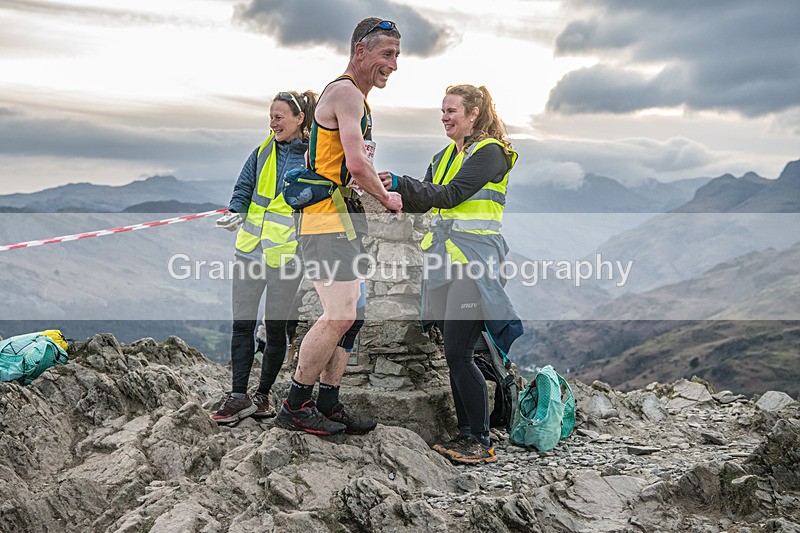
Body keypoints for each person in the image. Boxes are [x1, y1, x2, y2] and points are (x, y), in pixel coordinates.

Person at [379, 84, 523, 463]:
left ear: (473, 114)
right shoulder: (443, 155)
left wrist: (400, 182)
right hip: (444, 260)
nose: (444, 117)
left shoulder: (491, 153)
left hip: (475, 261)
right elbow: (424, 197)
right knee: (455, 352)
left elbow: (452, 194)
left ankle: (480, 439)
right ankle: (466, 434)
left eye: (451, 111)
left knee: (460, 352)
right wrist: (388, 194)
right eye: (442, 111)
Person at [274, 17, 403, 436]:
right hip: (325, 222)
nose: (394, 65)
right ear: (360, 51)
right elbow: (355, 162)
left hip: (342, 220)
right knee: (339, 314)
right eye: (387, 54)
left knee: (355, 313)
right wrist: (388, 198)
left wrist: (369, 182)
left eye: (397, 56)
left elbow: (348, 166)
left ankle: (327, 403)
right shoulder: (346, 93)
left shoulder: (356, 99)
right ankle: (295, 406)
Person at [211, 90, 317, 424]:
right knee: (241, 325)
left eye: (279, 116)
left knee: (275, 331)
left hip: (287, 258)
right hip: (249, 252)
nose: (272, 122)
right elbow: (243, 190)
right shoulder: (261, 152)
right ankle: (238, 396)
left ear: (300, 119)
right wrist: (235, 212)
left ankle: (263, 396)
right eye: (270, 116)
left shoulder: (314, 157)